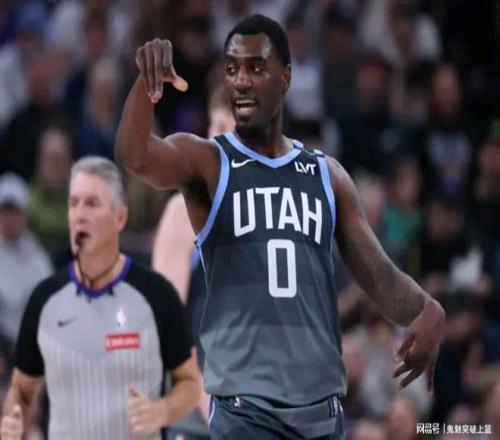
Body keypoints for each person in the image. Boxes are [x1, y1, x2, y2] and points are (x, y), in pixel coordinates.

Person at [115, 14, 445, 439]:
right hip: (246, 410)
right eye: (232, 69)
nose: (241, 80)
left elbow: (380, 278)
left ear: (286, 77)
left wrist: (426, 309)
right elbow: (135, 154)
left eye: (256, 67)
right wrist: (146, 84)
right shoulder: (209, 162)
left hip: (320, 411)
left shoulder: (327, 175)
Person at [0, 157, 201, 440]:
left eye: (92, 203)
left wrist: (162, 411)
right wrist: (13, 419)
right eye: (74, 203)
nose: (80, 214)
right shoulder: (44, 299)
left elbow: (190, 384)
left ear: (120, 218)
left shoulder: (156, 295)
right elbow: (22, 389)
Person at [153, 86, 235, 440]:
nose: (218, 140)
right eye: (216, 127)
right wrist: (206, 403)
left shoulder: (266, 215)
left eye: (230, 131)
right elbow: (168, 325)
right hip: (196, 407)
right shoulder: (181, 213)